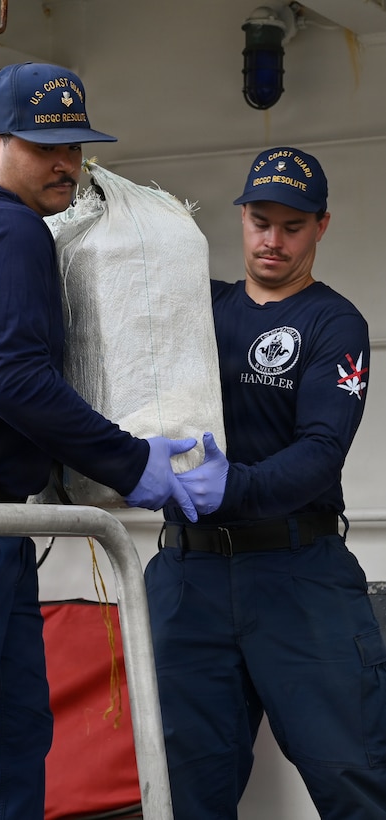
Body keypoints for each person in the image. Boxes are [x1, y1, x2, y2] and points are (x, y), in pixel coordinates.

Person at [0, 62, 204, 820]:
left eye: (75, 149)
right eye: (41, 148)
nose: (64, 165)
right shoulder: (7, 226)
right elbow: (14, 381)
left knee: (8, 738)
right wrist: (133, 464)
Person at [146, 147, 385, 819]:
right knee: (185, 789)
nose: (271, 241)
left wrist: (234, 487)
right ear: (242, 219)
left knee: (354, 776)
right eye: (259, 222)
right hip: (187, 577)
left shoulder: (333, 324)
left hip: (295, 576)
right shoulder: (201, 310)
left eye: (291, 226)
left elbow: (319, 453)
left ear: (320, 226)